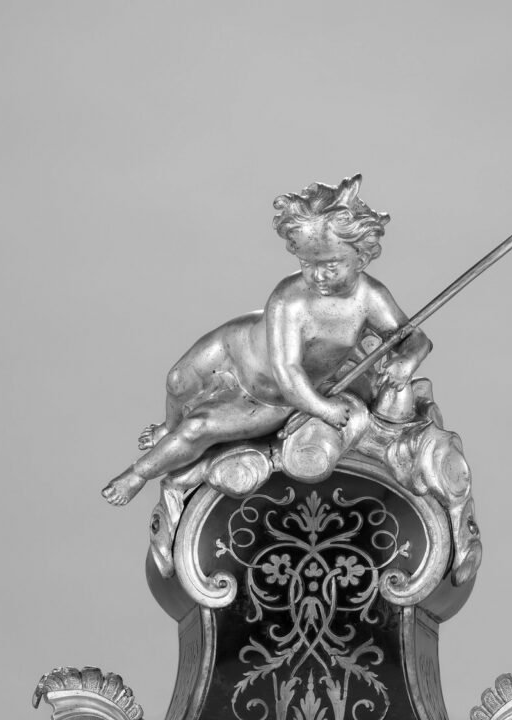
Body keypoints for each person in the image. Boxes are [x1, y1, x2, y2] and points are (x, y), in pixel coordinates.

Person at [101, 177, 430, 508]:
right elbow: (288, 369)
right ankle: (167, 428)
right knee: (177, 382)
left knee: (198, 428)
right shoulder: (289, 298)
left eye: (331, 265)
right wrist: (323, 409)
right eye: (307, 264)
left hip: (271, 398)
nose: (317, 276)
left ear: (360, 258)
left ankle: (137, 474)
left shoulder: (371, 297)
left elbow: (414, 338)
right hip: (234, 346)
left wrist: (407, 361)